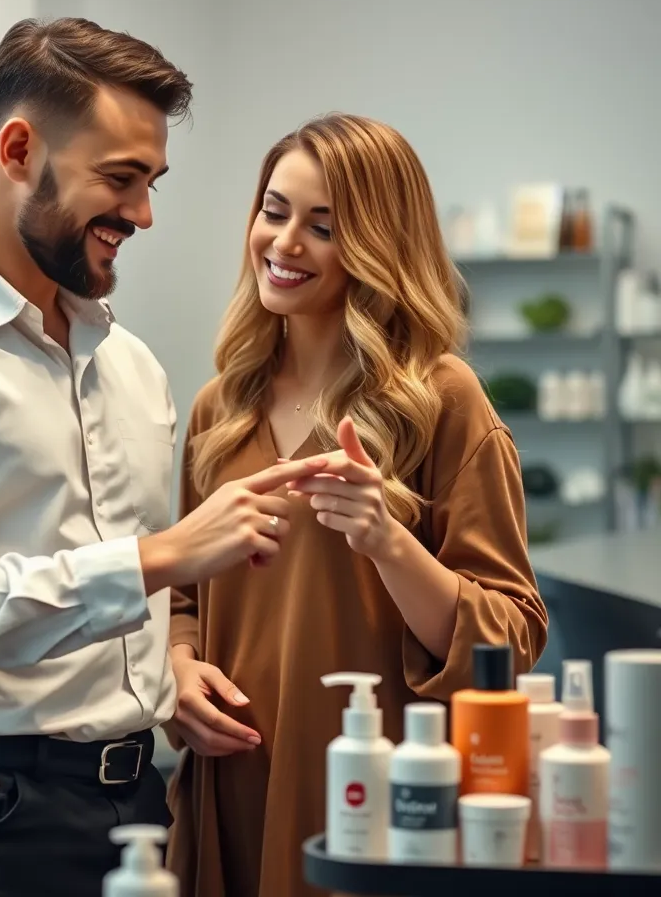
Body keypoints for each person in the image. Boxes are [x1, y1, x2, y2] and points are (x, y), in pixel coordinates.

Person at [0, 17, 324, 897]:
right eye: (119, 179)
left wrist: (169, 671)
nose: (143, 214)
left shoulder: (133, 368)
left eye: (152, 182)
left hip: (137, 808)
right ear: (17, 150)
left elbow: (113, 620)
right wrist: (159, 559)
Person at [165, 113, 549, 897]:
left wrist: (388, 542)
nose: (284, 244)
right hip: (232, 790)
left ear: (378, 245)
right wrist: (176, 669)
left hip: (372, 805)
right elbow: (182, 597)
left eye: (323, 226)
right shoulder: (220, 408)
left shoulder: (443, 402)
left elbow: (510, 637)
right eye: (273, 212)